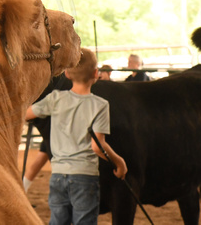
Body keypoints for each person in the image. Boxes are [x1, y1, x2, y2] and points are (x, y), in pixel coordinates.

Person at [26, 48, 127, 225]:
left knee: (58, 221)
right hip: (84, 176)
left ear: (66, 73)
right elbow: (98, 146)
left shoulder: (55, 99)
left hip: (58, 174)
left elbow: (26, 114)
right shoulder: (100, 105)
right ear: (96, 73)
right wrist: (119, 162)